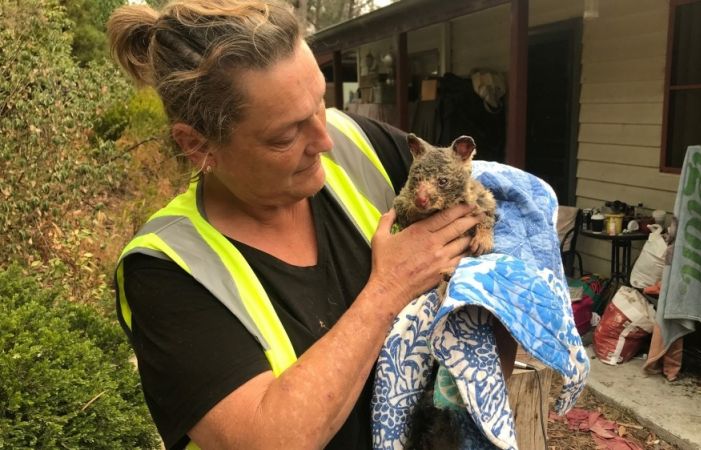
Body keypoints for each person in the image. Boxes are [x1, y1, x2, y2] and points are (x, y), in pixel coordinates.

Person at [107, 1, 484, 448]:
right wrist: (389, 287)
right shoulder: (166, 269)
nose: (323, 141)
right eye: (285, 136)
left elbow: (477, 205)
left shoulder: (352, 142)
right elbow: (268, 439)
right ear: (197, 145)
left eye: (321, 103)